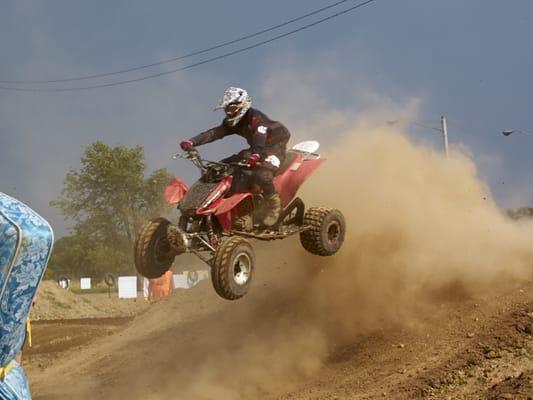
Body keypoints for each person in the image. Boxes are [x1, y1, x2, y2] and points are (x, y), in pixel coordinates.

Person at [180, 87, 291, 227]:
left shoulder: (257, 119)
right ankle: (236, 210)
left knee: (263, 174)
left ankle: (274, 206)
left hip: (274, 148)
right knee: (221, 168)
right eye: (226, 109)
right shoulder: (234, 121)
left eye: (231, 109)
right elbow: (215, 133)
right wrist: (192, 142)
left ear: (242, 105)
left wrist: (256, 154)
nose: (228, 113)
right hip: (256, 149)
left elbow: (259, 135)